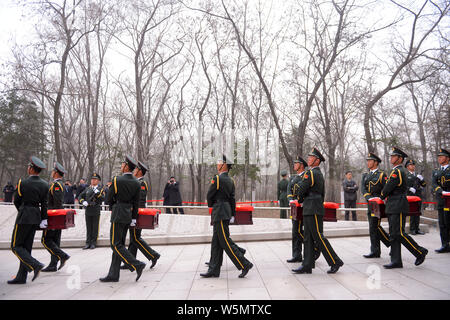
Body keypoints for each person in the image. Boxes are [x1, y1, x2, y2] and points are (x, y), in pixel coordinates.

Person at [292, 147, 344, 274]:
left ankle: (335, 261)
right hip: (311, 207)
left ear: (317, 160)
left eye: (311, 157)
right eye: (309, 157)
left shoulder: (311, 173)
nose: (308, 159)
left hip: (313, 208)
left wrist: (299, 198)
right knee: (308, 238)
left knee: (319, 237)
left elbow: (301, 189)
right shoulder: (316, 173)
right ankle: (307, 264)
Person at [200, 155, 253, 278]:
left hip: (219, 211)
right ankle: (214, 268)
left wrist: (211, 206)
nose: (217, 164)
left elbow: (209, 195)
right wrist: (233, 214)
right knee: (216, 242)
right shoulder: (231, 180)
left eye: (219, 162)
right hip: (226, 211)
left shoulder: (217, 179)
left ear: (224, 165)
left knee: (225, 241)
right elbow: (232, 199)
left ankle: (244, 263)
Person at [379, 147, 428, 269]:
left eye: (393, 156)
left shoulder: (398, 171)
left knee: (399, 233)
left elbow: (388, 187)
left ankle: (419, 251)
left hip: (398, 204)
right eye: (391, 156)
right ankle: (396, 261)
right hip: (393, 204)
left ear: (400, 159)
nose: (391, 158)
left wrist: (381, 195)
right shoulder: (395, 171)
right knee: (394, 234)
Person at [100, 155, 146, 282]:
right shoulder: (137, 183)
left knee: (115, 245)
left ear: (126, 166)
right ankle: (113, 274)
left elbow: (109, 198)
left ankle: (137, 264)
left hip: (118, 213)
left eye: (122, 164)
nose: (121, 166)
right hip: (128, 216)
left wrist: (113, 204)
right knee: (119, 244)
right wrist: (134, 218)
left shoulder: (117, 180)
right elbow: (136, 203)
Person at [8, 156, 48, 284]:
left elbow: (17, 201)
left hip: (25, 215)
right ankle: (21, 276)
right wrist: (43, 218)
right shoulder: (45, 184)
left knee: (15, 246)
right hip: (36, 216)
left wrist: (23, 211)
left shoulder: (22, 183)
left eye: (28, 167)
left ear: (31, 169)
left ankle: (35, 264)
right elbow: (45, 204)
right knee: (26, 247)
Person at [120, 161, 160, 270]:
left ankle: (153, 255)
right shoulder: (136, 181)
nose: (134, 171)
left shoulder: (142, 183)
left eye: (136, 169)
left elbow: (140, 200)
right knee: (134, 239)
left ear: (140, 172)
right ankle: (130, 261)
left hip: (137, 213)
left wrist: (134, 213)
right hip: (135, 213)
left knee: (135, 238)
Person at [41, 162, 71, 273]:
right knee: (55, 240)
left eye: (53, 171)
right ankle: (53, 264)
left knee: (46, 240)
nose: (52, 172)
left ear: (56, 173)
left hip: (54, 217)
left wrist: (54, 217)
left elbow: (57, 203)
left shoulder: (57, 185)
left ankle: (63, 256)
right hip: (57, 217)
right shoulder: (59, 185)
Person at [361, 152, 390, 258]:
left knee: (375, 226)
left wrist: (380, 198)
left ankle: (387, 242)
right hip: (370, 203)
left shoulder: (382, 175)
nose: (368, 162)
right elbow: (363, 188)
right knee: (372, 227)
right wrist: (369, 198)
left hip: (378, 203)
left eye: (370, 160)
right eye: (367, 161)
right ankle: (376, 250)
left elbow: (386, 189)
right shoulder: (365, 175)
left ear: (376, 162)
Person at [79, 173, 104, 250]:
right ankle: (87, 243)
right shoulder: (87, 189)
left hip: (96, 209)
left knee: (95, 227)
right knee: (88, 227)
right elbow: (80, 196)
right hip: (88, 210)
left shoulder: (100, 189)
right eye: (92, 179)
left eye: (95, 179)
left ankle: (93, 243)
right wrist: (83, 202)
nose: (93, 181)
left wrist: (98, 194)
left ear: (98, 181)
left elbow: (103, 199)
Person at [432, 148, 450, 253]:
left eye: (441, 156)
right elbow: (434, 184)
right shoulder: (436, 171)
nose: (439, 158)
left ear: (447, 158)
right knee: (442, 223)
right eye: (438, 157)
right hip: (441, 199)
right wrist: (440, 191)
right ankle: (444, 244)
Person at [405, 159, 426, 235]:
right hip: (410, 195)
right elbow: (402, 186)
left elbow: (424, 185)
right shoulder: (405, 175)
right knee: (412, 212)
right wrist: (409, 188)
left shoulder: (417, 174)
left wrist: (422, 179)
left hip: (418, 195)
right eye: (411, 165)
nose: (413, 166)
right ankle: (412, 228)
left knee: (418, 212)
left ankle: (417, 228)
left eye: (413, 165)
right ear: (407, 167)